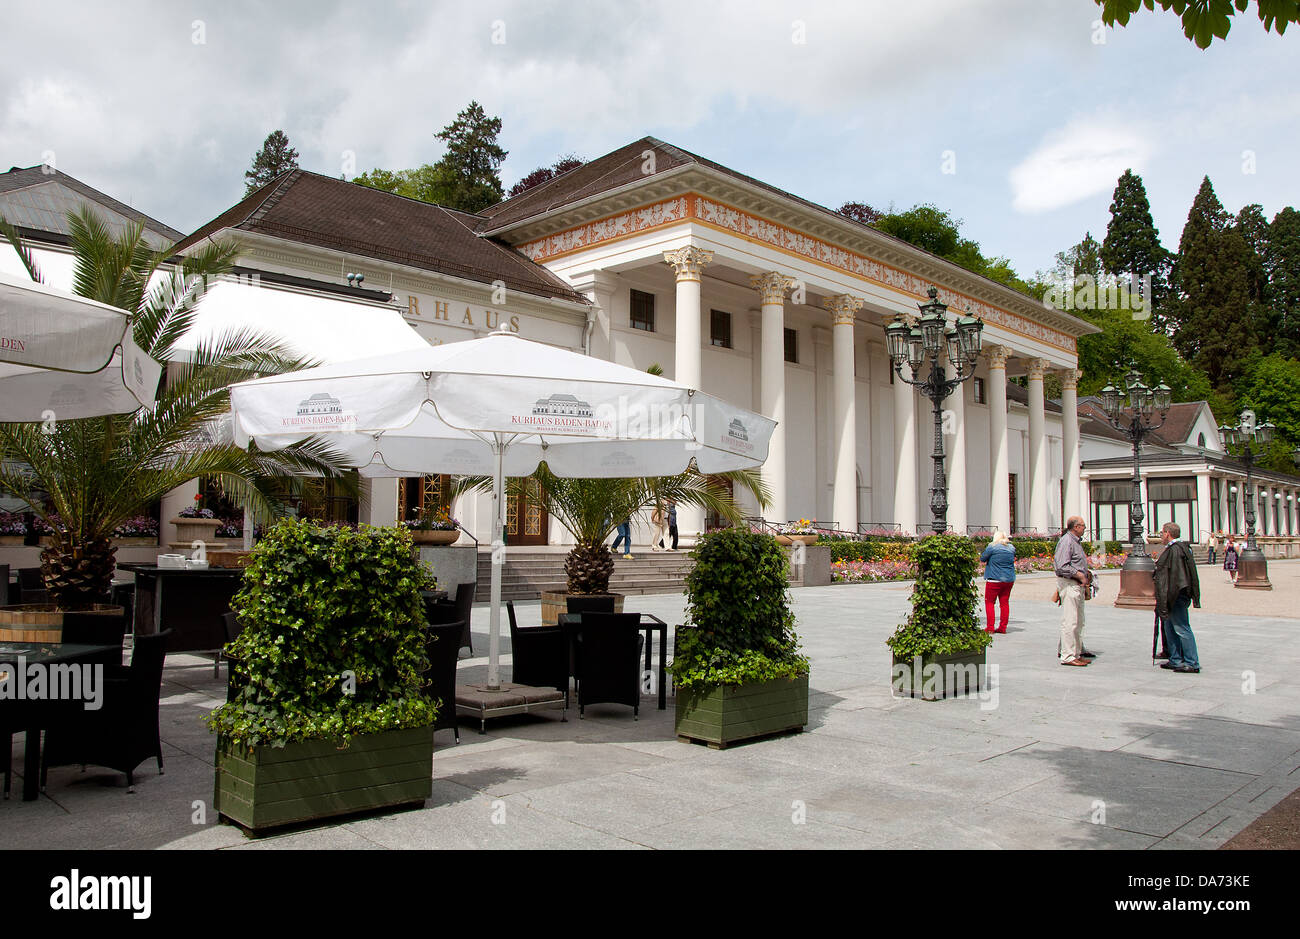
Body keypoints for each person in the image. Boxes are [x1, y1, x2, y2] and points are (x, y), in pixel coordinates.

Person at [1154, 521, 1201, 674]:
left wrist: (1170, 596)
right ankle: (1175, 659)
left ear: (1168, 533)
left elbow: (1176, 576)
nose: (1161, 536)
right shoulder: (1180, 548)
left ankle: (1191, 662)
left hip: (1176, 595)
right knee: (1169, 627)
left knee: (1181, 628)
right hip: (1173, 595)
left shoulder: (1176, 550)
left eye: (1162, 532)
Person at [1053, 516, 1093, 666]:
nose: (1084, 528)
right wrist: (1079, 575)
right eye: (1083, 526)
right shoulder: (1067, 541)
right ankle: (1068, 655)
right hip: (1070, 584)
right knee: (1070, 621)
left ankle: (1075, 652)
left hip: (1077, 585)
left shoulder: (1075, 541)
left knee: (1078, 621)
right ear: (1075, 527)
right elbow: (1062, 565)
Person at [978, 531, 1016, 633]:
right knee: (1004, 603)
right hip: (1008, 579)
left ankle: (990, 627)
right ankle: (1003, 627)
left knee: (989, 603)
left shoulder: (992, 547)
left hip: (994, 578)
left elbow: (983, 558)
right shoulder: (1011, 548)